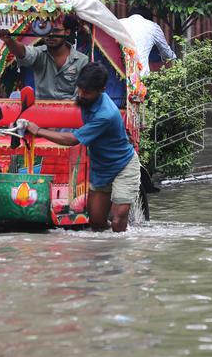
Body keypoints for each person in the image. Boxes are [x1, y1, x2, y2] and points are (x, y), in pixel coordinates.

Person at [25, 63, 140, 231]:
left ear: (102, 90)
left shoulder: (106, 114)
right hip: (101, 167)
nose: (81, 94)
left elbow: (72, 140)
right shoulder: (83, 96)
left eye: (86, 92)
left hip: (123, 165)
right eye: (79, 89)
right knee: (96, 223)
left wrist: (39, 131)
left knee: (117, 220)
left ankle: (122, 253)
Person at [0, 16, 89, 100]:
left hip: (70, 111)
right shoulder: (39, 53)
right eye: (46, 30)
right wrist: (9, 41)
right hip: (41, 110)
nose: (51, 35)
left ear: (67, 32)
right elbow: (23, 53)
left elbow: (81, 95)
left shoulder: (82, 60)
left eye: (56, 30)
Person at [120, 9, 176, 76]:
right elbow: (167, 54)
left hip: (114, 73)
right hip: (138, 77)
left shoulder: (118, 22)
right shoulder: (152, 26)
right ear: (149, 19)